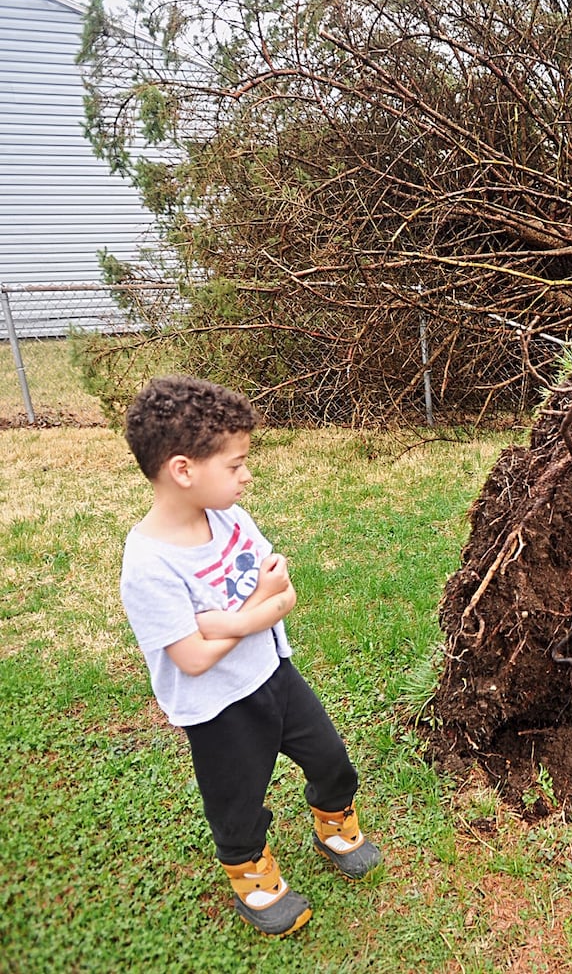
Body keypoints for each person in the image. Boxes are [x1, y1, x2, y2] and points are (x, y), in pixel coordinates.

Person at [119, 375, 380, 937]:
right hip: (218, 708)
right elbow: (191, 660)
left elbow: (282, 593)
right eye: (235, 465)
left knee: (331, 758)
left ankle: (333, 821)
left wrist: (229, 619)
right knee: (236, 802)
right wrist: (255, 609)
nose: (247, 476)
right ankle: (252, 876)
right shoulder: (149, 564)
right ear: (184, 470)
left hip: (274, 674)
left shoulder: (231, 518)